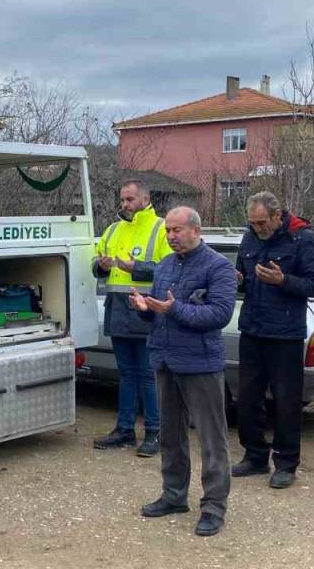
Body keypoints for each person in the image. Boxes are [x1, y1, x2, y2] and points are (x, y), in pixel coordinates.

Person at [129, 207, 235, 537]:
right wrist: (147, 310)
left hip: (200, 363)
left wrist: (174, 309)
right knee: (171, 436)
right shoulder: (164, 266)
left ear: (195, 230)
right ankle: (174, 496)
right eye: (168, 231)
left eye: (176, 230)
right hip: (165, 360)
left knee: (211, 439)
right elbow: (161, 313)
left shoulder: (218, 267)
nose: (171, 236)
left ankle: (214, 506)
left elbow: (219, 315)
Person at [232, 191, 314, 489]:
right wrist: (239, 280)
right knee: (247, 398)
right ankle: (255, 455)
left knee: (286, 402)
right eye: (252, 223)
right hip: (252, 329)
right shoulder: (248, 239)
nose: (257, 228)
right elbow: (244, 278)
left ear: (277, 216)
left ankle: (286, 463)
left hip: (286, 334)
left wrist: (283, 280)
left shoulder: (302, 239)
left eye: (262, 223)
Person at [91, 179, 171, 456]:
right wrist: (100, 266)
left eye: (130, 199)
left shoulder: (161, 228)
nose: (124, 204)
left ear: (145, 198)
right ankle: (125, 430)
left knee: (147, 375)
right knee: (126, 374)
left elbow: (170, 268)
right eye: (122, 200)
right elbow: (96, 261)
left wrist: (137, 268)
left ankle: (154, 432)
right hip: (117, 309)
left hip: (145, 309)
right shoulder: (113, 229)